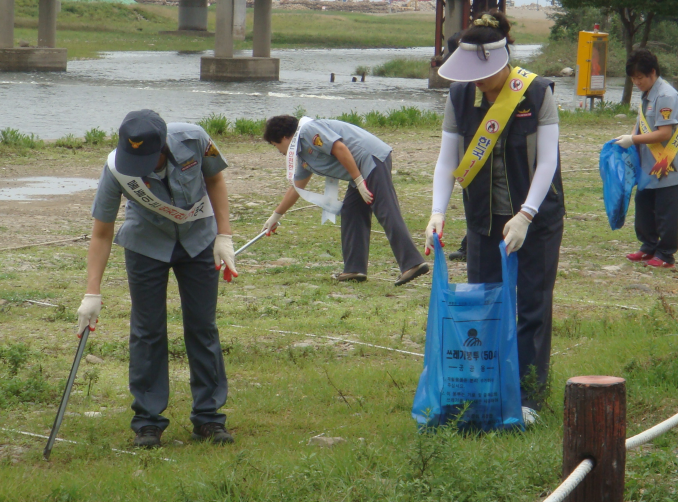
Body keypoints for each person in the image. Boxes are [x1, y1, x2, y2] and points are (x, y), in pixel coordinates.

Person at [425, 12, 564, 424]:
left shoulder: (536, 93)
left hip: (535, 219)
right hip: (483, 219)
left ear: (502, 62)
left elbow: (547, 162)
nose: (478, 84)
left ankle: (528, 398)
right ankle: (482, 390)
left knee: (533, 306)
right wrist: (437, 211)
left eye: (482, 76)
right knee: (483, 304)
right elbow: (448, 158)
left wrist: (525, 214)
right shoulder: (460, 96)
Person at [76, 109, 237, 448]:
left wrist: (225, 236)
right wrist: (92, 292)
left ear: (163, 146)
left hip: (198, 241)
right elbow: (102, 232)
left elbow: (215, 181)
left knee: (202, 326)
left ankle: (208, 418)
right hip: (146, 244)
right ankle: (148, 422)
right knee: (147, 330)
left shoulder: (196, 139)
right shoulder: (117, 168)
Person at [260, 115, 430, 286]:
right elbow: (297, 188)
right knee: (352, 211)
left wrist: (358, 181)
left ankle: (412, 263)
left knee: (385, 209)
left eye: (276, 146)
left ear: (283, 137)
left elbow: (339, 148)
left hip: (370, 159)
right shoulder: (302, 153)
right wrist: (276, 215)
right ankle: (354, 269)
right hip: (359, 172)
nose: (280, 152)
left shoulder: (308, 131)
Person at [613, 49, 678, 269]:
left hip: (668, 163)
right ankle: (648, 247)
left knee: (666, 210)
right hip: (648, 163)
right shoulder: (648, 93)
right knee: (644, 205)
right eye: (633, 78)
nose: (636, 82)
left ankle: (666, 254)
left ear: (652, 73)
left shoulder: (665, 96)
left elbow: (665, 133)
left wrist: (633, 139)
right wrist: (630, 139)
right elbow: (642, 123)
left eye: (639, 77)